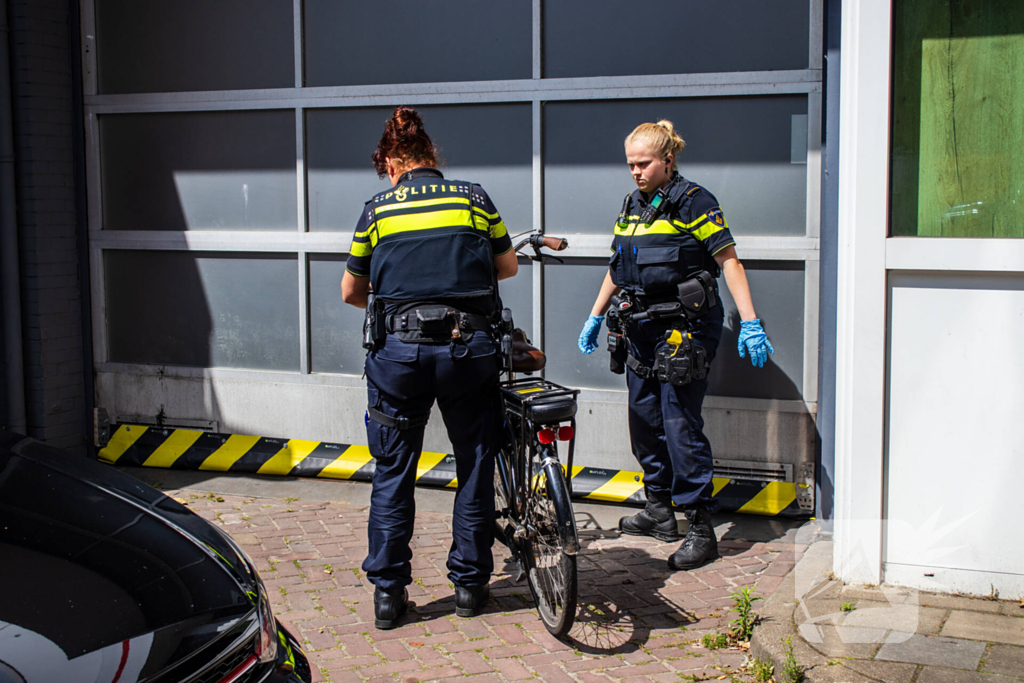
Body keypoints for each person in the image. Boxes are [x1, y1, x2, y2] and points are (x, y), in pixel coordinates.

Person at [341, 106, 518, 629]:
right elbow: (506, 266)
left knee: (394, 472)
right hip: (468, 353)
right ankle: (469, 587)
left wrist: (398, 297)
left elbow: (352, 291)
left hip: (400, 358)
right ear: (430, 157)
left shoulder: (377, 210)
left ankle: (389, 598)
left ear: (395, 161)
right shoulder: (474, 198)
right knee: (475, 463)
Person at [577, 120, 773, 570]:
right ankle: (660, 509)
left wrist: (751, 322)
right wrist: (593, 314)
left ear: (667, 160)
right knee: (644, 422)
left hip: (685, 331)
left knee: (680, 425)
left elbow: (729, 262)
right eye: (630, 164)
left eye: (643, 163)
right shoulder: (632, 205)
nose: (635, 172)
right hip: (640, 331)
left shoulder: (695, 202)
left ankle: (701, 528)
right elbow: (616, 266)